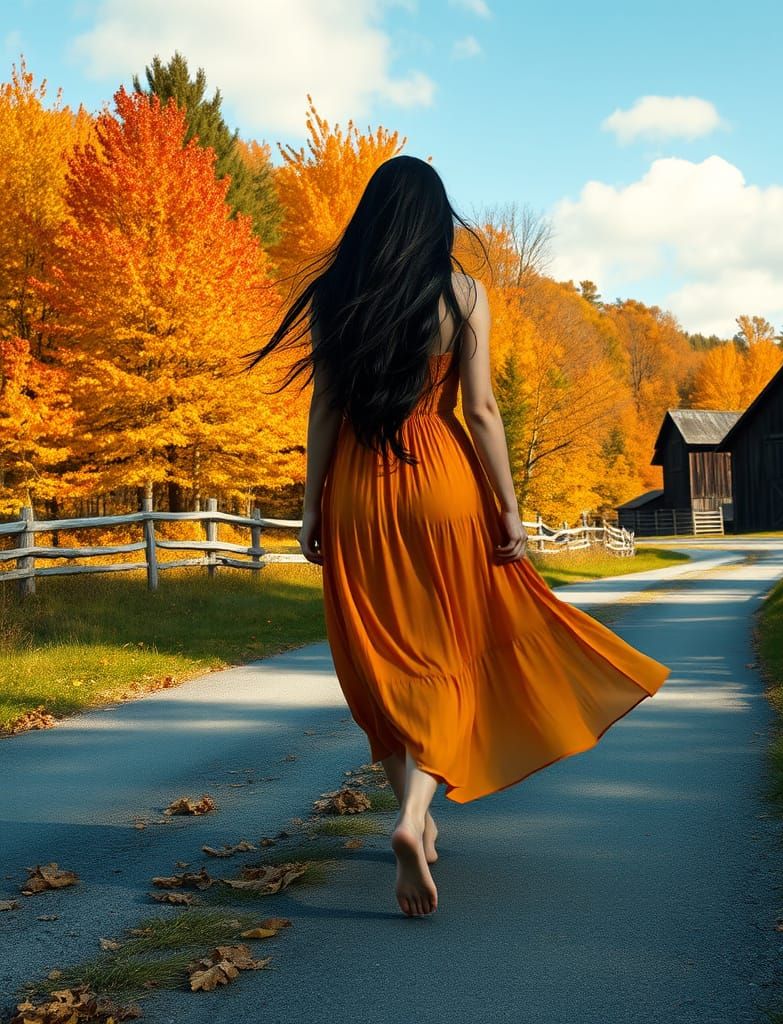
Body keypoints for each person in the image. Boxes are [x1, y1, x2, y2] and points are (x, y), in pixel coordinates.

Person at [244, 155, 672, 919]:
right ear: (437, 221)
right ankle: (414, 816)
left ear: (372, 218)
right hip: (444, 486)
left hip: (360, 493)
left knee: (382, 657)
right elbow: (480, 412)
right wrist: (508, 504)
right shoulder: (465, 294)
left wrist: (311, 506)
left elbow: (325, 414)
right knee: (443, 655)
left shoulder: (338, 296)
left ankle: (414, 815)